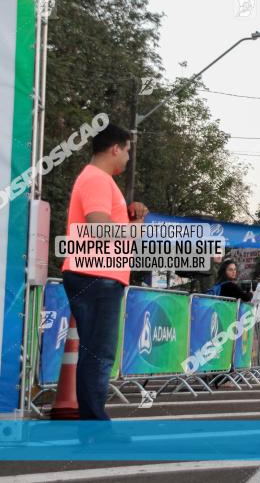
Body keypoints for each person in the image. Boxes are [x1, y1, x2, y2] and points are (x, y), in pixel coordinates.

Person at [60, 123, 149, 422]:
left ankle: (92, 419)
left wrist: (132, 217)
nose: (127, 158)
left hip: (95, 273)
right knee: (99, 354)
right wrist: (131, 227)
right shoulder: (97, 179)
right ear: (115, 148)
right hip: (96, 274)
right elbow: (98, 226)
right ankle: (94, 424)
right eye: (127, 151)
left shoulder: (98, 179)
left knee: (96, 352)